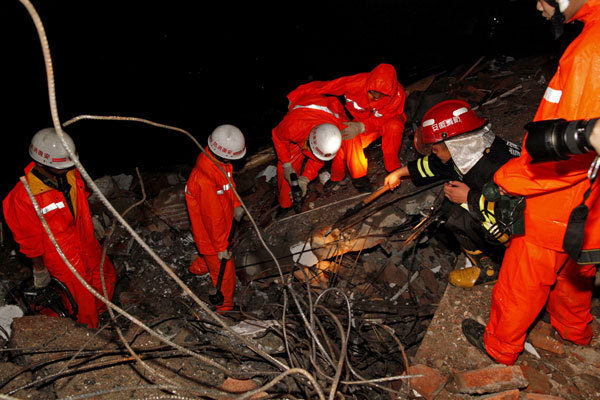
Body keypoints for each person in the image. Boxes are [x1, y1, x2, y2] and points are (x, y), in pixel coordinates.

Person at [462, 0, 600, 366]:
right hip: (589, 204)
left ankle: (500, 346)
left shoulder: (590, 52)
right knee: (576, 267)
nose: (538, 6)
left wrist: (506, 180)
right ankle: (575, 332)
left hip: (560, 199)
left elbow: (569, 153)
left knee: (524, 276)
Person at [384, 100, 521, 287]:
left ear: (454, 144)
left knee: (458, 218)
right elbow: (433, 165)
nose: (434, 154)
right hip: (488, 206)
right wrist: (399, 173)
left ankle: (493, 266)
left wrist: (468, 198)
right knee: (448, 207)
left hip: (520, 228)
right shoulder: (467, 151)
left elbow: (515, 211)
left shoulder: (495, 166)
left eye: (435, 149)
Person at [3, 128, 117, 329]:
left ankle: (102, 316)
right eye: (63, 165)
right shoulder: (23, 197)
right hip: (61, 256)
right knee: (82, 304)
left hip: (86, 241)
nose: (70, 167)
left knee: (105, 279)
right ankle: (88, 336)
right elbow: (28, 239)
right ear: (42, 163)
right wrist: (39, 269)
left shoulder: (70, 174)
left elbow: (79, 199)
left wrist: (91, 222)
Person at [287, 63, 407, 192]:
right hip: (361, 124)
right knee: (343, 136)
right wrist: (295, 95)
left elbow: (387, 118)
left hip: (386, 124)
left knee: (393, 127)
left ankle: (394, 170)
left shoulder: (397, 95)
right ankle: (341, 177)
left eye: (381, 94)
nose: (376, 96)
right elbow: (325, 86)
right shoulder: (356, 83)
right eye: (373, 92)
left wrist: (362, 126)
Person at [185, 124, 246, 312]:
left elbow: (229, 184)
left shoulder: (220, 162)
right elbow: (212, 217)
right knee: (225, 275)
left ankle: (196, 269)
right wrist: (220, 247)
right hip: (211, 235)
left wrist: (235, 204)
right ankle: (225, 309)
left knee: (211, 259)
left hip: (221, 227)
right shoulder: (204, 178)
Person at [272, 94, 345, 212]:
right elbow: (277, 136)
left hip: (326, 115)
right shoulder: (293, 127)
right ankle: (285, 204)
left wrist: (304, 179)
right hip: (301, 118)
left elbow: (318, 159)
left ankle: (339, 177)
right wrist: (287, 164)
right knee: (284, 167)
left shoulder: (333, 136)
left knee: (339, 153)